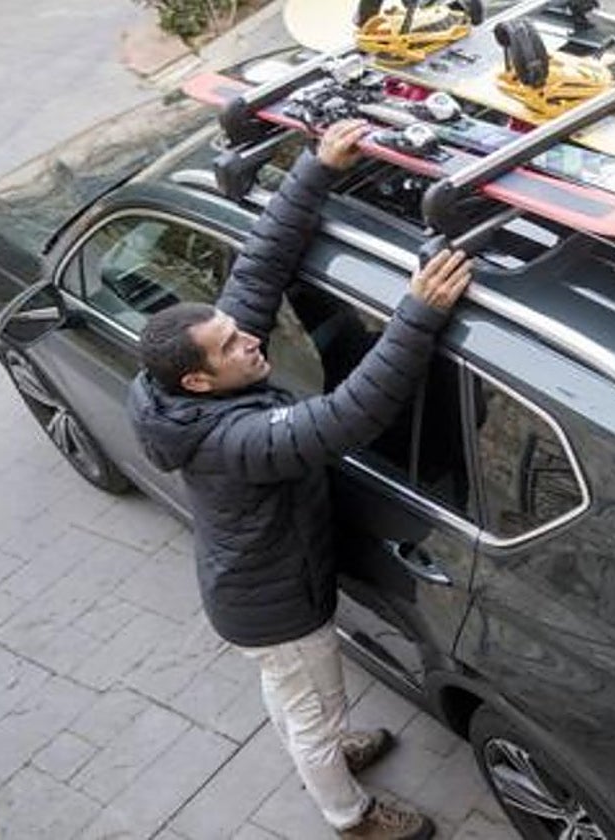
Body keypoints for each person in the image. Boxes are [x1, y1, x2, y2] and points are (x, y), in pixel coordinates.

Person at [126, 119, 471, 840]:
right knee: (314, 707)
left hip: (250, 593)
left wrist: (316, 167)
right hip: (278, 609)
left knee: (296, 696)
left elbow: (256, 270)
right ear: (200, 377)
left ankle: (324, 744)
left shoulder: (185, 385)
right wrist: (418, 314)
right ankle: (350, 813)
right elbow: (349, 416)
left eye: (233, 330)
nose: (250, 339)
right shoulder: (236, 440)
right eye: (232, 345)